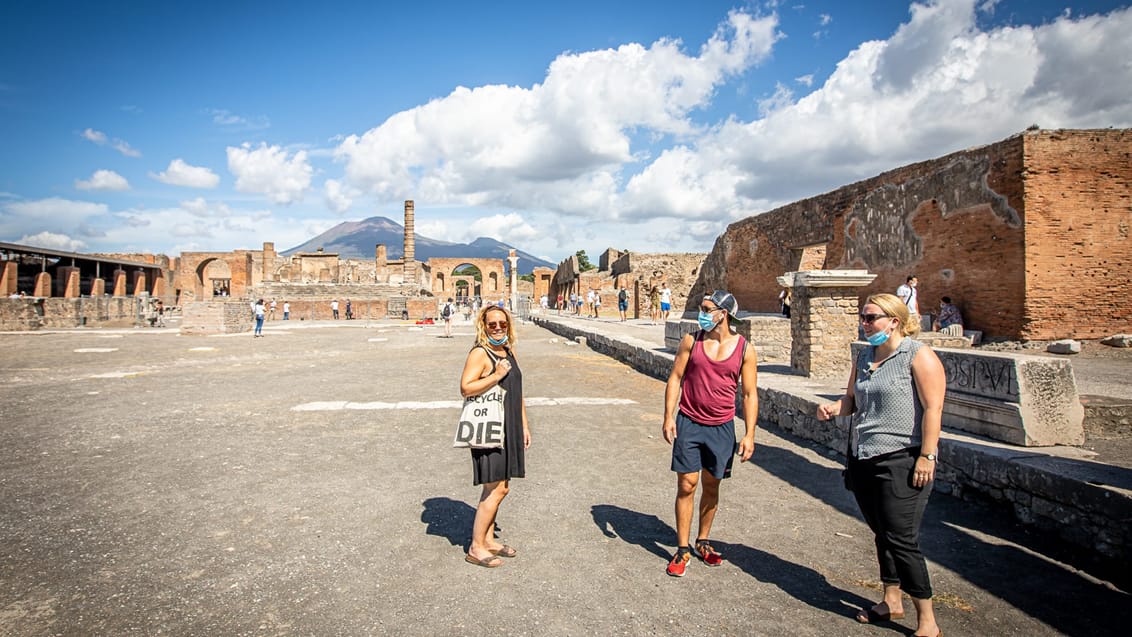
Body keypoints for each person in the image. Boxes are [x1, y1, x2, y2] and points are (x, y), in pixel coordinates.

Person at [816, 293, 945, 637]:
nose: (864, 322)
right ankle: (891, 600)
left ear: (894, 321)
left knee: (901, 538)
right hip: (862, 457)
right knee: (881, 532)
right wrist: (834, 407)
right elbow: (852, 401)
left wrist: (927, 455)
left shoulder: (918, 356)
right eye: (863, 316)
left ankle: (928, 620)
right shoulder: (864, 355)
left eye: (871, 317)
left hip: (902, 458)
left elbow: (933, 409)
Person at [662, 290, 758, 577]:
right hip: (689, 422)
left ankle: (703, 540)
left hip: (722, 427)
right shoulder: (692, 341)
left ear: (723, 314)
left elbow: (750, 394)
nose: (700, 313)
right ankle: (682, 548)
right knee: (687, 485)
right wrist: (668, 416)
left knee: (712, 485)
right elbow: (675, 378)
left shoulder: (744, 349)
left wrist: (750, 433)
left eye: (706, 309)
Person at [459, 305, 531, 568]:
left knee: (502, 486)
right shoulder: (480, 353)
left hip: (509, 426)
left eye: (502, 323)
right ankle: (476, 547)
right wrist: (497, 375)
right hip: (490, 428)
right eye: (492, 324)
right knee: (496, 487)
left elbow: (517, 390)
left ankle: (488, 539)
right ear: (483, 326)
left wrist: (523, 424)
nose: (498, 328)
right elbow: (466, 387)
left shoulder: (507, 350)